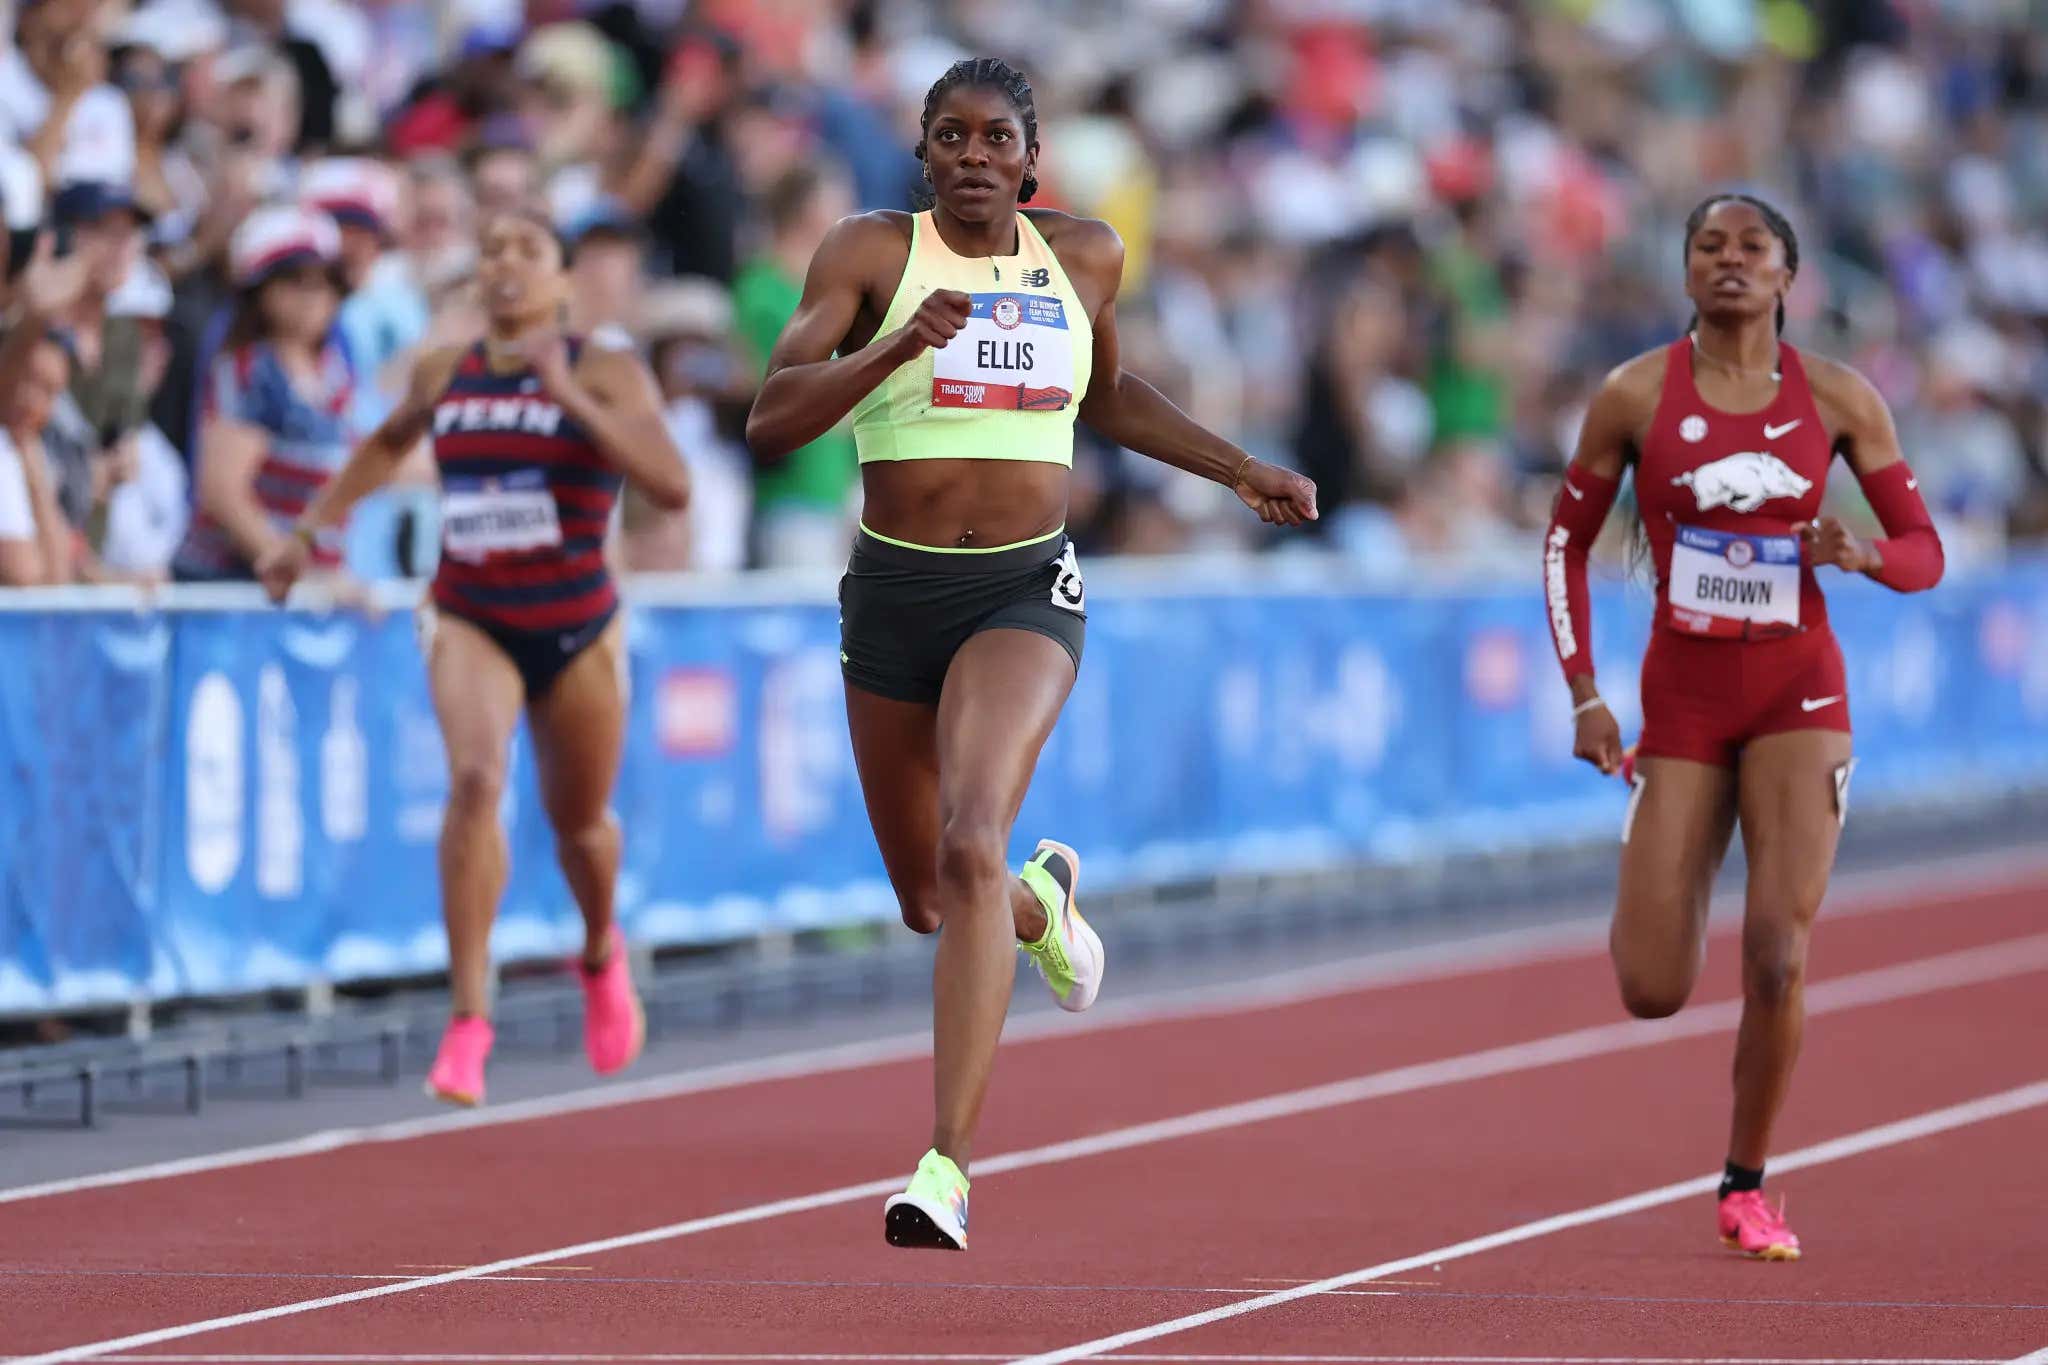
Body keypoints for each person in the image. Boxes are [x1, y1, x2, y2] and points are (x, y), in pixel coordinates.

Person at [746, 57, 1318, 1251]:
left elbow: (1109, 400)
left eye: (992, 138)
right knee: (926, 895)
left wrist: (1239, 467)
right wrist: (896, 350)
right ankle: (1038, 905)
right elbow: (773, 417)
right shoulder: (867, 254)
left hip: (1022, 586)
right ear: (919, 154)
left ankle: (944, 1166)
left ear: (1028, 158)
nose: (969, 156)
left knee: (966, 840)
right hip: (893, 589)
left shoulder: (1084, 257)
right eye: (946, 137)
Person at [1542, 194, 1944, 1261]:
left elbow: (1923, 551)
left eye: (1749, 248)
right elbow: (1562, 547)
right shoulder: (1632, 395)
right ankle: (1666, 849)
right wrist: (1584, 692)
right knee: (1650, 987)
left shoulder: (1839, 397)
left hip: (1797, 697)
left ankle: (1744, 1183)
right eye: (1707, 248)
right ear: (1683, 273)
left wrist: (1858, 552)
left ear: (1785, 274)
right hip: (1679, 698)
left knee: (1776, 954)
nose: (1728, 262)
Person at [257, 208, 690, 1107]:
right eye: (491, 249)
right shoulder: (444, 368)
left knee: (580, 825)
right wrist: (305, 531)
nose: (504, 264)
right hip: (472, 610)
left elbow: (671, 483)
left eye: (527, 251)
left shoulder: (604, 366)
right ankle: (467, 1019)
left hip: (575, 621)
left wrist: (566, 394)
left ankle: (602, 950)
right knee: (476, 780)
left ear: (563, 281)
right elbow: (383, 444)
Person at [170, 205, 359, 584]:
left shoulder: (335, 374)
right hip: (234, 589)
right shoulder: (249, 372)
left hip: (301, 595)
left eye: (325, 281)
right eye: (295, 281)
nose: (313, 296)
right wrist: (299, 573)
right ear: (260, 291)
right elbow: (224, 494)